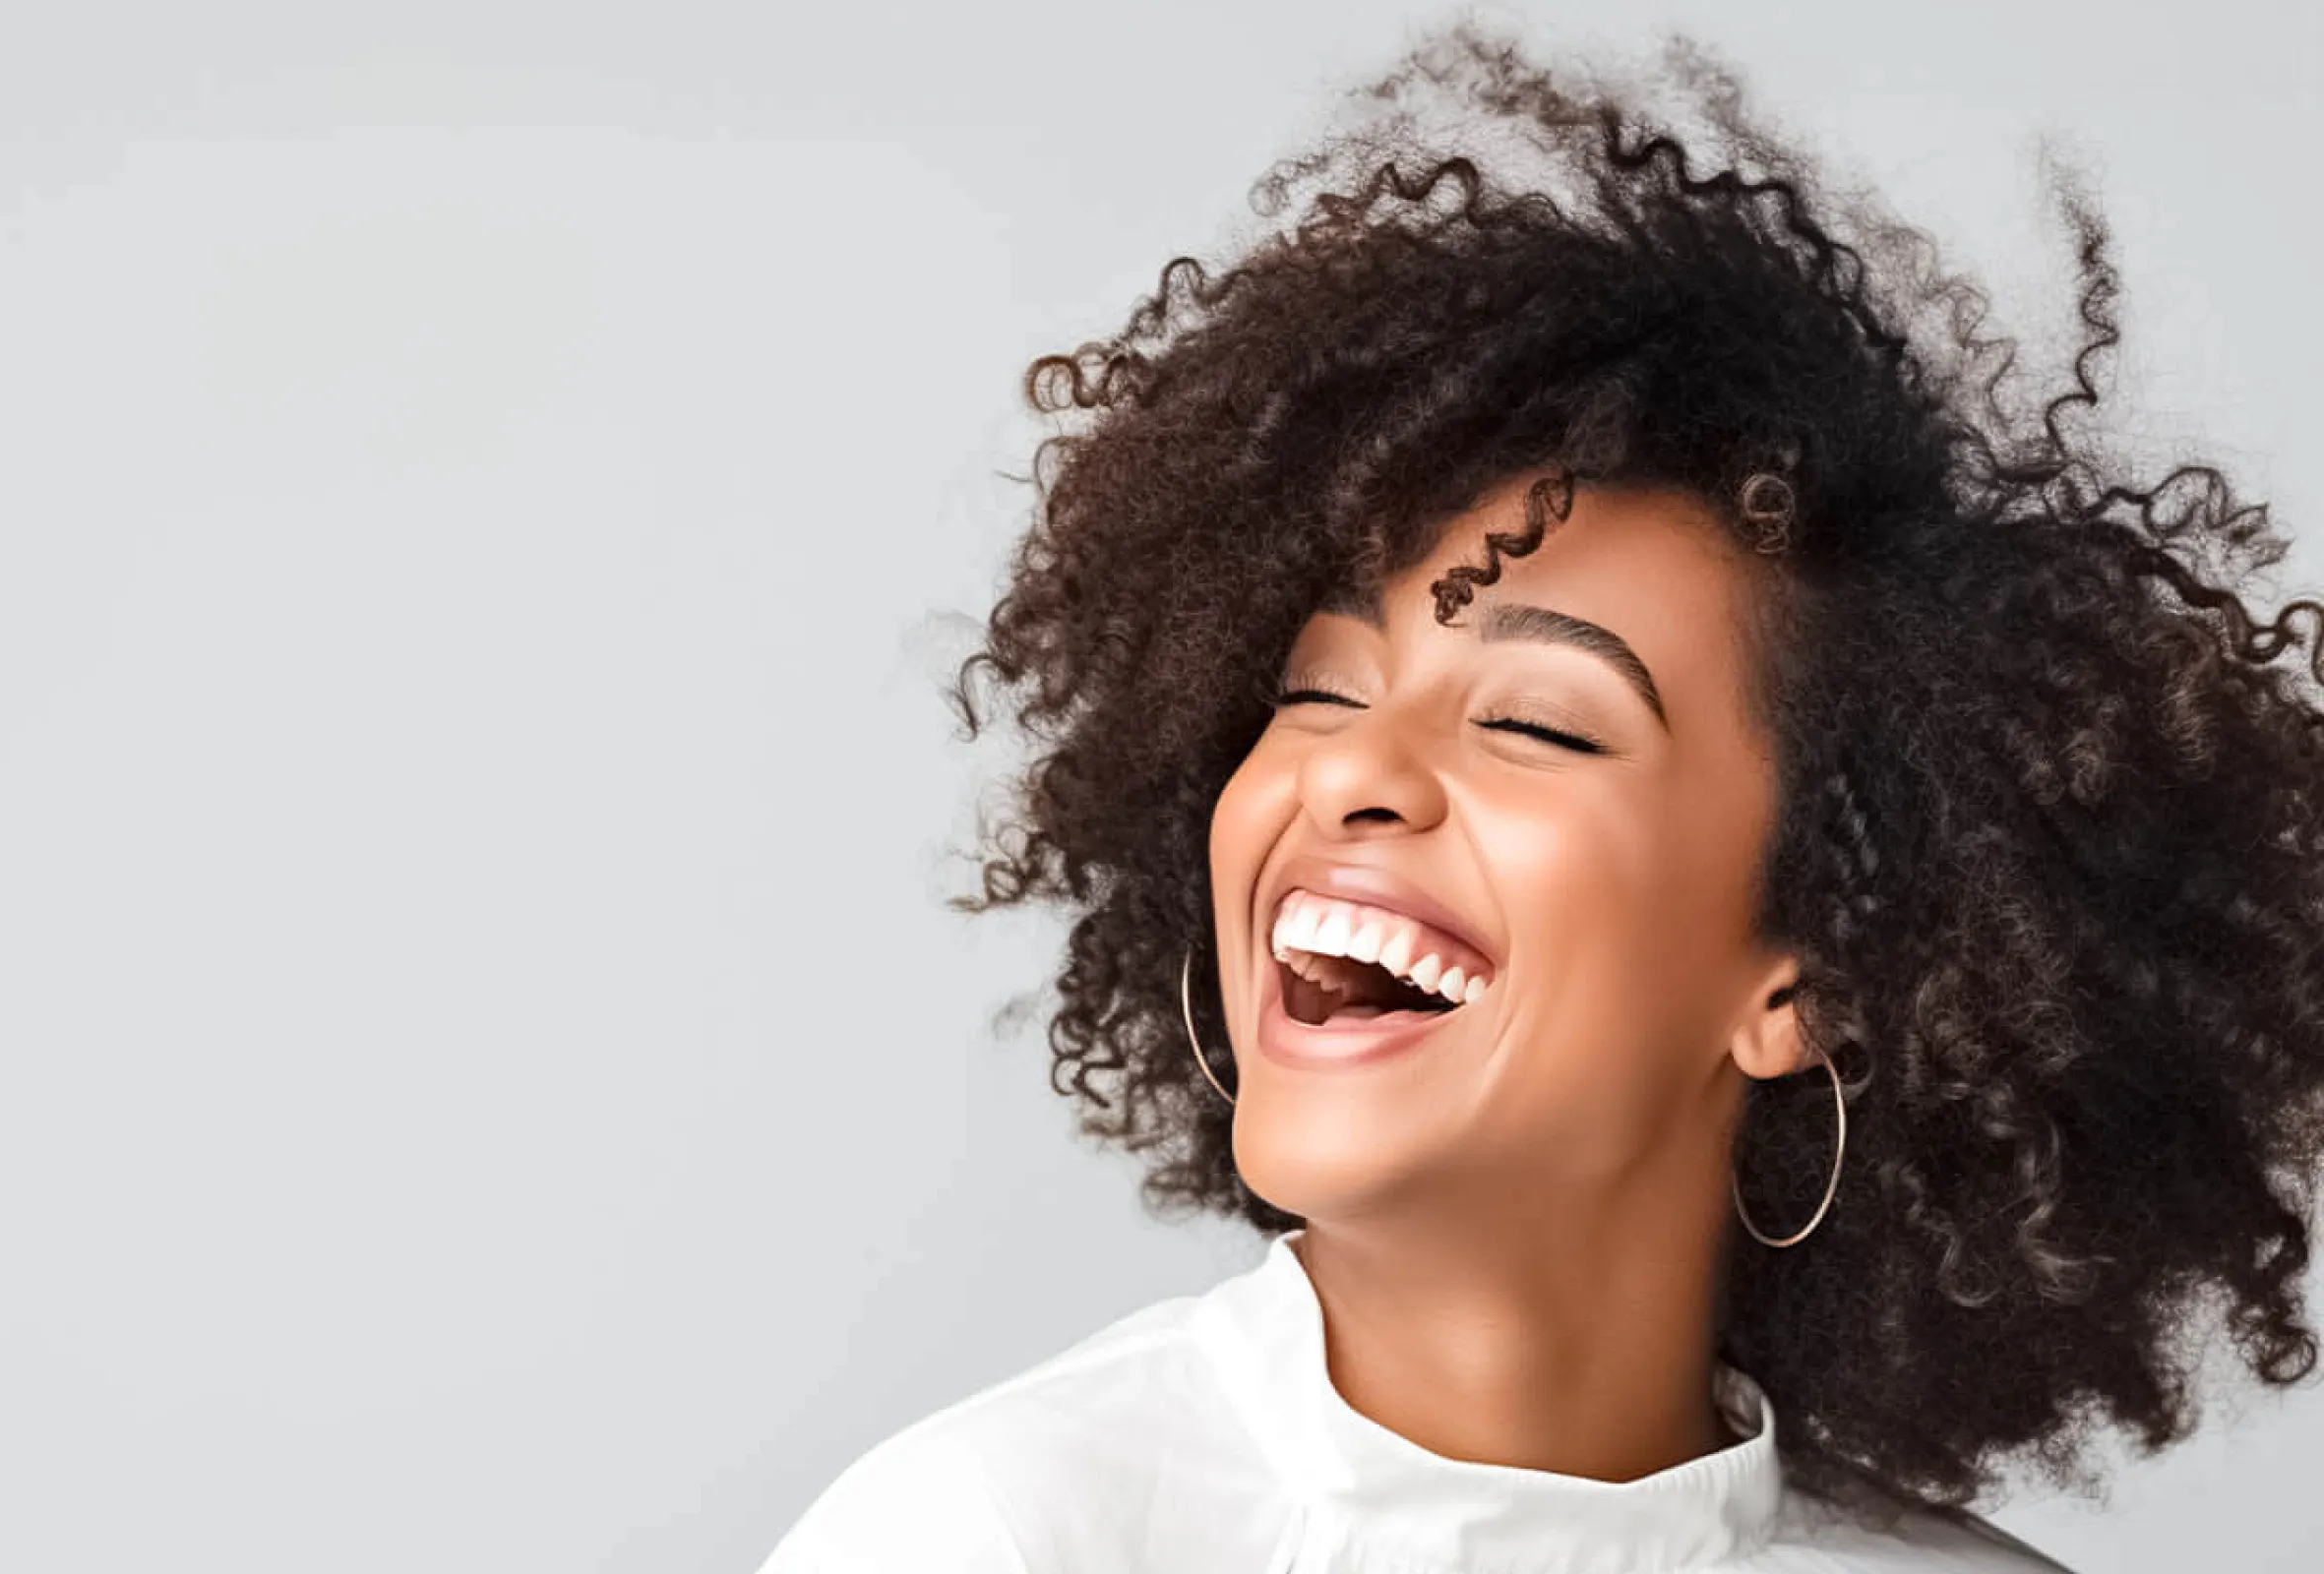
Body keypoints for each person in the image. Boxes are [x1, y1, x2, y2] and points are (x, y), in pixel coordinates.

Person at [756, 24, 2324, 1574]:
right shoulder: (996, 1536)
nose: (1351, 771)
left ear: (1811, 980)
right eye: (1317, 692)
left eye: (1533, 722)